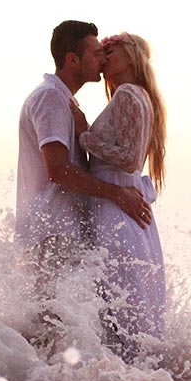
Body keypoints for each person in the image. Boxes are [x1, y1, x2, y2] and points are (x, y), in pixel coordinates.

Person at [15, 21, 152, 313]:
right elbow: (59, 170)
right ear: (72, 59)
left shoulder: (65, 101)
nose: (102, 59)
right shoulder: (50, 98)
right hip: (53, 230)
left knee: (69, 327)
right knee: (51, 323)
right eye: (95, 53)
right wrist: (117, 193)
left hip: (70, 229)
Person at [78, 32, 168, 357]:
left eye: (110, 52)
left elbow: (129, 158)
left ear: (130, 57)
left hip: (116, 209)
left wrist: (83, 136)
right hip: (120, 206)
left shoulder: (129, 94)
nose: (103, 58)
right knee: (127, 307)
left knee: (119, 307)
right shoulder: (136, 95)